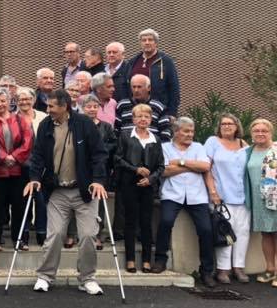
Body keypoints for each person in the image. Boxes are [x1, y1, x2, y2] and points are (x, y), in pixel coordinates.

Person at [25, 89, 108, 295]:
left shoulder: (84, 124)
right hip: (57, 191)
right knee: (55, 235)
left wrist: (98, 181)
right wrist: (34, 179)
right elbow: (37, 156)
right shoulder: (45, 125)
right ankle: (45, 276)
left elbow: (99, 154)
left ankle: (87, 278)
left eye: (52, 106)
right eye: (48, 105)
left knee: (88, 235)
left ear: (65, 106)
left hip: (84, 191)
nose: (48, 109)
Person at [155, 117, 215, 287]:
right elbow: (164, 171)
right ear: (176, 132)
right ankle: (160, 260)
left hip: (197, 196)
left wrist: (180, 163)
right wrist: (192, 166)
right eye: (186, 131)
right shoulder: (165, 148)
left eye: (192, 131)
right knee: (165, 222)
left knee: (205, 230)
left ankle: (206, 271)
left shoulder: (198, 147)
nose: (190, 134)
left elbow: (205, 167)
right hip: (172, 194)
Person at [114, 103, 164, 273]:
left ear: (151, 119)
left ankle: (146, 260)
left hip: (148, 187)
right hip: (129, 184)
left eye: (147, 116)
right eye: (139, 116)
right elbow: (118, 159)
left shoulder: (155, 139)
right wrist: (136, 169)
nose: (143, 119)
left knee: (146, 223)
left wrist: (150, 179)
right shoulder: (125, 135)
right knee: (130, 221)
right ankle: (130, 259)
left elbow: (160, 166)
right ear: (133, 119)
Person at [204, 115, 252, 283]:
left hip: (243, 197)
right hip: (222, 196)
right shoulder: (212, 142)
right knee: (225, 232)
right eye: (223, 124)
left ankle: (238, 267)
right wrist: (213, 192)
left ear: (237, 126)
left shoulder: (244, 145)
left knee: (243, 233)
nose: (226, 126)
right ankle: (223, 269)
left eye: (230, 123)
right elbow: (206, 169)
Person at [245, 119, 277, 289]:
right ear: (251, 134)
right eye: (256, 130)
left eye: (264, 131)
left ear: (271, 133)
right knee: (266, 234)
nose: (260, 133)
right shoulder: (249, 151)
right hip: (259, 200)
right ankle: (269, 268)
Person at [0, 88, 33, 251]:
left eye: (3, 101)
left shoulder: (20, 120)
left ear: (9, 102)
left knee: (19, 206)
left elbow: (28, 141)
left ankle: (20, 239)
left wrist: (15, 157)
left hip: (18, 171)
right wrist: (4, 157)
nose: (0, 104)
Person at [17, 86, 48, 246]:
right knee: (23, 201)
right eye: (21, 99)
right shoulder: (13, 118)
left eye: (28, 98)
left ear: (34, 100)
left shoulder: (43, 116)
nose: (25, 102)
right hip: (20, 166)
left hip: (41, 165)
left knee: (41, 200)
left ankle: (42, 233)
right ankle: (25, 233)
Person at [124, 28, 180, 115]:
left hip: (159, 110)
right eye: (144, 40)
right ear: (140, 43)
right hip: (135, 109)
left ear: (156, 43)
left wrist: (172, 113)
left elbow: (174, 88)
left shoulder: (166, 61)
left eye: (150, 40)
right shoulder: (132, 62)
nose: (147, 42)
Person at [114, 74, 171, 141]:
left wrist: (157, 148)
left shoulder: (158, 107)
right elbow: (116, 130)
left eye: (139, 87)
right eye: (134, 87)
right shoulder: (122, 105)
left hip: (151, 147)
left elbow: (165, 132)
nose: (136, 90)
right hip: (126, 147)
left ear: (149, 88)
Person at [80, 94, 117, 185]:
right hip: (82, 166)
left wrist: (101, 149)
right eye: (89, 107)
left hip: (102, 165)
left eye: (95, 106)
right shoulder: (78, 126)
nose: (92, 109)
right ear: (83, 108)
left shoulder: (106, 126)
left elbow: (114, 143)